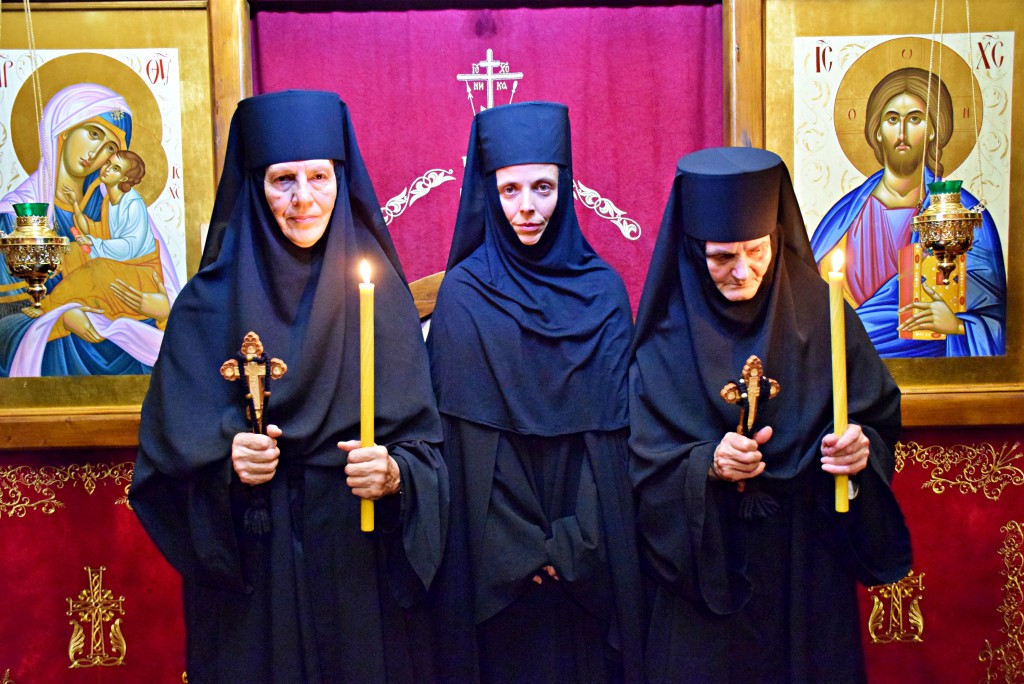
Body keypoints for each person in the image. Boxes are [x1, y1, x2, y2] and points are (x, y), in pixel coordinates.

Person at [130, 90, 449, 683]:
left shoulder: (381, 300)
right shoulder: (204, 307)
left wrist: (396, 474)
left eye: (319, 177)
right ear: (254, 185)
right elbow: (163, 469)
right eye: (283, 180)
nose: (304, 198)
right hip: (255, 574)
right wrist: (227, 462)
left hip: (358, 567)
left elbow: (428, 447)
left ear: (342, 180)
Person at [629, 147, 912, 683]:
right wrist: (706, 465)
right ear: (692, 249)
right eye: (721, 257)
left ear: (776, 237)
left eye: (757, 250)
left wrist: (859, 452)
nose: (743, 272)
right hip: (704, 578)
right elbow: (641, 465)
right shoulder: (664, 337)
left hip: (806, 568)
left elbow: (875, 417)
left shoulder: (822, 314)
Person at [427, 101, 644, 683]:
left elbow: (616, 441)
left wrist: (573, 545)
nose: (527, 207)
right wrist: (522, 550)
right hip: (495, 573)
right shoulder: (463, 296)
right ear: (488, 193)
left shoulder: (603, 292)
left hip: (590, 565)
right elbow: (461, 445)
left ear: (564, 188)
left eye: (543, 188)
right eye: (510, 189)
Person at [811, 67, 1006, 357]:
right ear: (877, 131)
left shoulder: (964, 214)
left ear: (933, 130)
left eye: (915, 119)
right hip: (851, 367)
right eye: (892, 119)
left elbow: (998, 320)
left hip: (937, 372)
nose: (902, 133)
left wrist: (958, 326)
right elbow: (811, 316)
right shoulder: (843, 219)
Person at [0, 82, 181, 376]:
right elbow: (4, 319)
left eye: (110, 147)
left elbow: (158, 286)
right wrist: (61, 319)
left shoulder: (117, 207)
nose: (96, 152)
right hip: (55, 365)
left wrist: (163, 311)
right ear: (65, 128)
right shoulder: (13, 218)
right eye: (93, 133)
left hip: (134, 353)